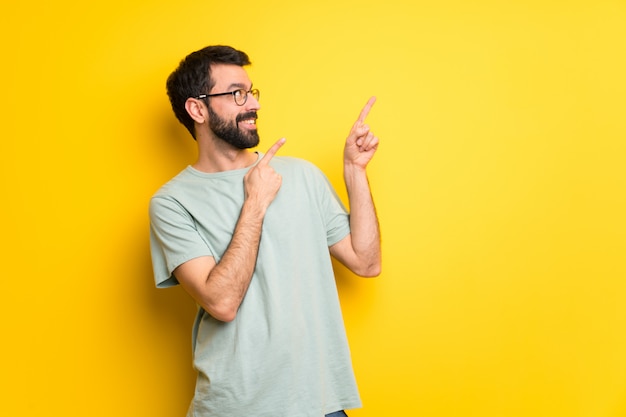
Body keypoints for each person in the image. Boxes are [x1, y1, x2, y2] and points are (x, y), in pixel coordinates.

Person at [149, 45, 381, 417]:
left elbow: (366, 262)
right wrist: (255, 201)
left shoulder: (301, 175)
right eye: (236, 93)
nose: (252, 104)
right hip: (236, 408)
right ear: (197, 109)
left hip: (319, 403)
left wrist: (355, 171)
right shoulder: (172, 203)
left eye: (251, 92)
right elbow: (221, 302)